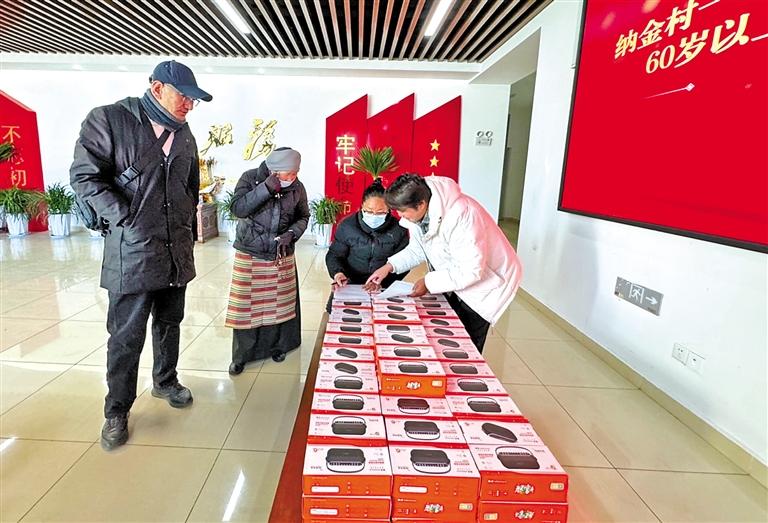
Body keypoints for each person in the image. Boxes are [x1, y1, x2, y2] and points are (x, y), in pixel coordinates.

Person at [70, 60, 212, 450]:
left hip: (175, 250)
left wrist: (187, 231)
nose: (189, 105)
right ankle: (116, 411)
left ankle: (165, 380)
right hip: (132, 251)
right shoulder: (109, 119)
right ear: (157, 88)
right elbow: (84, 176)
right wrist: (126, 217)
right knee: (125, 336)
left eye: (194, 99)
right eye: (184, 96)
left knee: (170, 322)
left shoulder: (184, 133)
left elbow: (190, 187)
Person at [366, 174, 522, 352]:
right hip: (455, 277)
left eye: (402, 211)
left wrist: (428, 282)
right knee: (447, 334)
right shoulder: (419, 212)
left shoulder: (462, 216)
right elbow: (418, 249)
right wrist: (389, 266)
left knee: (466, 344)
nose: (399, 216)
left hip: (485, 283)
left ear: (421, 205)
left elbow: (470, 271)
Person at [225, 147, 310, 375]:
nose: (292, 177)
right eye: (288, 173)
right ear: (274, 170)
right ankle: (242, 355)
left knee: (278, 304)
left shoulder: (297, 187)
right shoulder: (250, 178)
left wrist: (292, 233)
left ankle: (277, 347)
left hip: (280, 253)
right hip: (250, 251)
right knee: (247, 307)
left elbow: (304, 216)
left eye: (296, 173)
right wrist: (265, 189)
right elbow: (238, 209)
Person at [325, 178, 409, 294]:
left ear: (389, 210)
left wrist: (383, 281)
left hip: (383, 284)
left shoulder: (399, 229)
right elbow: (334, 255)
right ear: (362, 206)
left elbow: (404, 261)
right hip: (349, 282)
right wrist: (338, 273)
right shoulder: (347, 226)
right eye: (369, 211)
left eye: (380, 212)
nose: (374, 216)